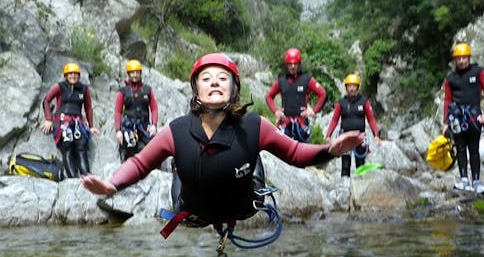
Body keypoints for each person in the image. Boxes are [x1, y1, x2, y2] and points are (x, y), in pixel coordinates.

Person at [81, 53, 364, 239]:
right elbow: (141, 163)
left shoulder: (254, 126)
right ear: (196, 90)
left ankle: (247, 170)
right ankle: (187, 171)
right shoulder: (175, 131)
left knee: (250, 149)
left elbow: (295, 153)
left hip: (242, 206)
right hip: (193, 210)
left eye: (222, 79)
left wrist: (331, 150)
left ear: (233, 89)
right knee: (179, 163)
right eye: (206, 79)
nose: (214, 83)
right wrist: (112, 185)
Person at [41, 62, 100, 178]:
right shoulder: (59, 86)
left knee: (81, 145)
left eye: (75, 74)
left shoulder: (84, 89)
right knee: (67, 145)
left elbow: (88, 108)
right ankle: (73, 178)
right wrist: (48, 119)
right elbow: (46, 101)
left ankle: (86, 175)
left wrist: (91, 126)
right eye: (70, 74)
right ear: (66, 75)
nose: (73, 76)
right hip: (62, 121)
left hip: (77, 122)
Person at [442, 43, 484, 193]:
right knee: (460, 148)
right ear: (455, 60)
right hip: (457, 116)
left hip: (473, 116)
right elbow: (447, 100)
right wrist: (445, 121)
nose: (461, 61)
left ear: (468, 57)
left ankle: (477, 181)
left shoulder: (478, 72)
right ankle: (464, 179)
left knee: (473, 149)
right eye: (458, 58)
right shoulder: (450, 78)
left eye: (464, 57)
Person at [266, 47, 327, 143]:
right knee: (285, 156)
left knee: (302, 156)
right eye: (290, 64)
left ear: (299, 64)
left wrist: (313, 111)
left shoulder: (307, 80)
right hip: (285, 125)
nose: (293, 66)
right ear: (287, 65)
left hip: (301, 125)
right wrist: (276, 111)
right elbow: (269, 96)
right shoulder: (281, 81)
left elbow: (323, 94)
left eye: (295, 63)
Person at [324, 73, 381, 177]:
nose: (351, 89)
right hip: (345, 138)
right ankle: (344, 187)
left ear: (357, 87)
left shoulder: (364, 102)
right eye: (349, 86)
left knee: (361, 165)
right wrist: (328, 135)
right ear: (346, 88)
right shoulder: (341, 103)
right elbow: (334, 120)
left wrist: (376, 135)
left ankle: (361, 187)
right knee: (345, 165)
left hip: (360, 137)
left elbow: (371, 119)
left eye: (354, 86)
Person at [114, 59, 159, 162]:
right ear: (129, 74)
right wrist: (118, 131)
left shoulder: (147, 90)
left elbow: (154, 108)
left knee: (155, 150)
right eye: (132, 73)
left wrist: (154, 125)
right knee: (130, 151)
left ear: (140, 73)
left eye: (137, 72)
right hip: (129, 128)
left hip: (144, 127)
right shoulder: (123, 92)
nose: (135, 75)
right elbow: (118, 111)